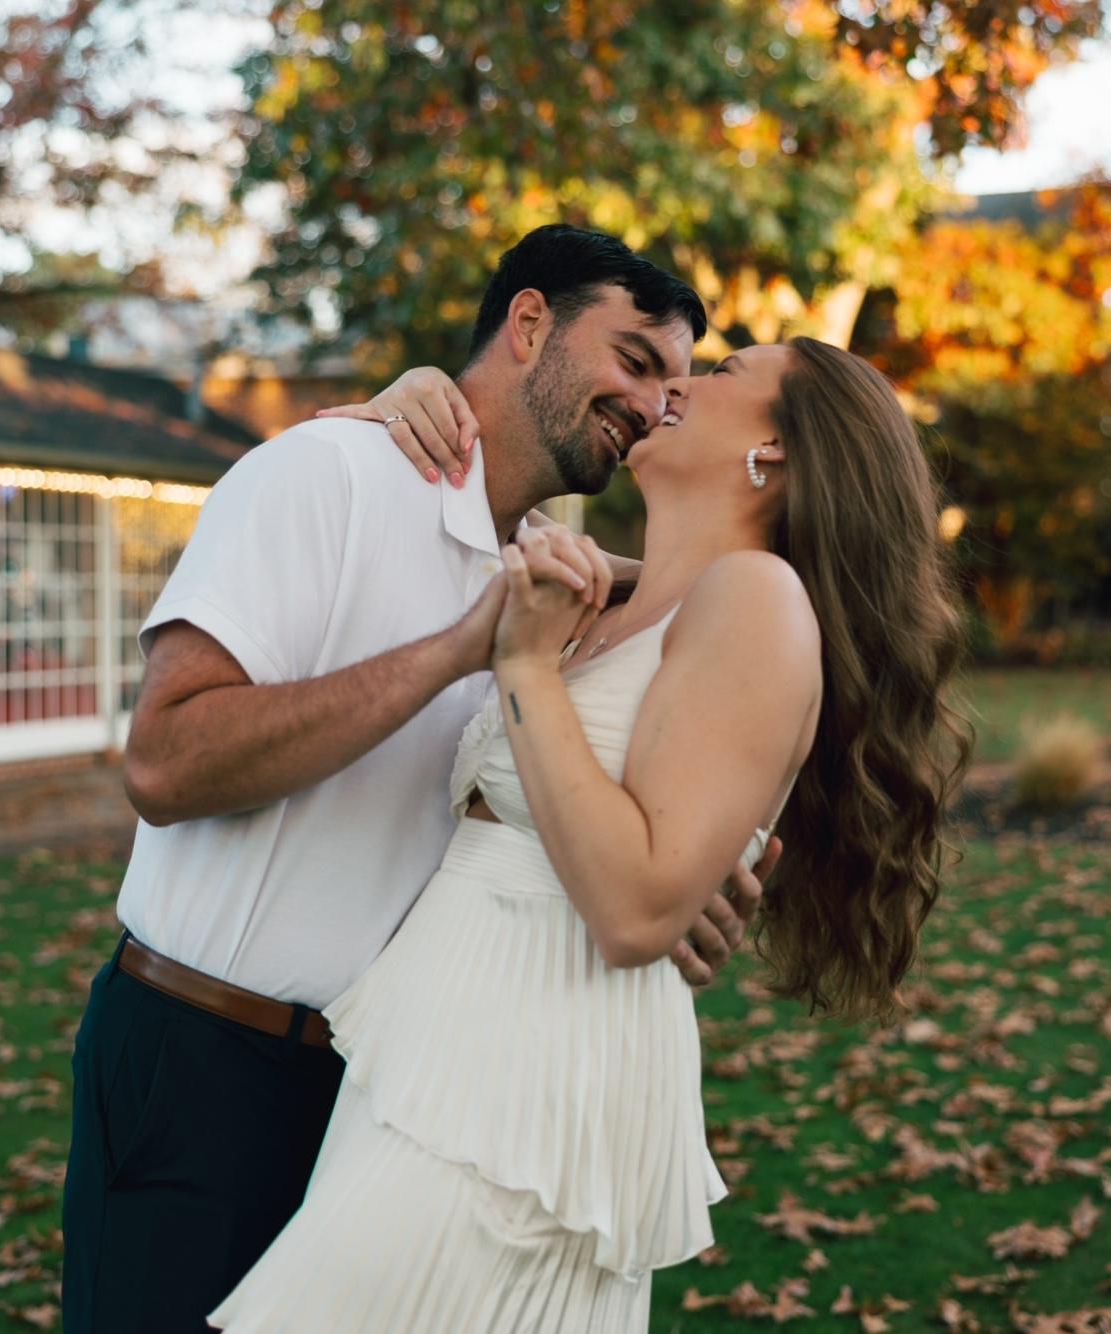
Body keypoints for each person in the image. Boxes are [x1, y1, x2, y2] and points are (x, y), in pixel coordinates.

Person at [59, 226, 775, 1334]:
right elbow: (163, 761)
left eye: (674, 385)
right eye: (634, 361)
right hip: (203, 1061)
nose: (652, 404)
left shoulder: (565, 578)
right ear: (528, 323)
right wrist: (453, 651)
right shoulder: (328, 473)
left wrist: (692, 880)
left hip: (400, 1104)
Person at [207, 337, 971, 1332]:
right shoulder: (614, 604)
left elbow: (634, 910)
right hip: (442, 1040)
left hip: (533, 1075)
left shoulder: (757, 598)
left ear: (776, 445)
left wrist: (524, 668)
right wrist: (416, 392)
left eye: (723, 373)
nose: (675, 385)